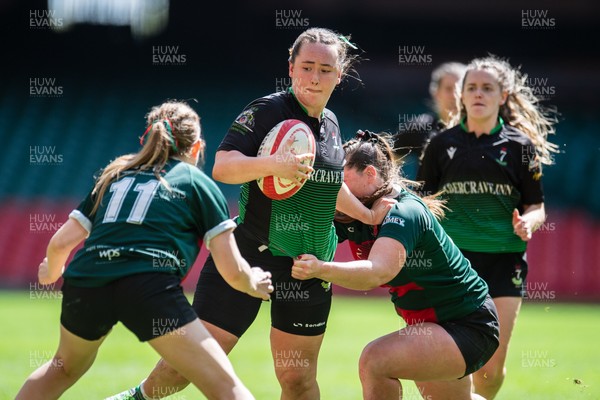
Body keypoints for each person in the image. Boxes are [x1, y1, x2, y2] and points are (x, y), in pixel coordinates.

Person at [109, 28, 393, 400]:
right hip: (249, 257)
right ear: (291, 68)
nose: (315, 77)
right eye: (307, 66)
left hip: (308, 267)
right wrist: (274, 164)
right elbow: (223, 167)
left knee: (298, 379)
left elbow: (328, 183)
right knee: (191, 364)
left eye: (325, 69)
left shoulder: (333, 125)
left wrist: (367, 216)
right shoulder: (267, 110)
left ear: (339, 75)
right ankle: (137, 397)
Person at [15, 100, 273, 400]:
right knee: (224, 385)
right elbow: (232, 271)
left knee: (62, 369)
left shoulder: (114, 175)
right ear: (196, 147)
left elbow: (60, 243)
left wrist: (51, 269)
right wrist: (253, 282)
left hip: (87, 281)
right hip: (147, 286)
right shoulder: (196, 183)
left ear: (148, 139)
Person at [292, 130, 500, 399]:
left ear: (370, 174)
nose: (336, 189)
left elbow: (377, 273)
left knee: (375, 361)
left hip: (467, 324)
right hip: (432, 327)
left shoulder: (404, 211)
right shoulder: (358, 211)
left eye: (341, 179)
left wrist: (320, 268)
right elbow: (306, 236)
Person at [417, 54, 558, 399]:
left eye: (487, 88)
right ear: (461, 95)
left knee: (490, 369)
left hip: (502, 261)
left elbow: (536, 205)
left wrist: (529, 222)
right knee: (446, 363)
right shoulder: (440, 145)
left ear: (503, 95)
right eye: (472, 88)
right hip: (452, 263)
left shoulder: (520, 147)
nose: (478, 94)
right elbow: (421, 202)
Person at [393, 61, 466, 178]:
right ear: (436, 93)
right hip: (428, 196)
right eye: (448, 89)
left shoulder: (480, 129)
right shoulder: (420, 126)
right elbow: (388, 161)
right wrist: (399, 192)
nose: (454, 95)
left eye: (460, 89)